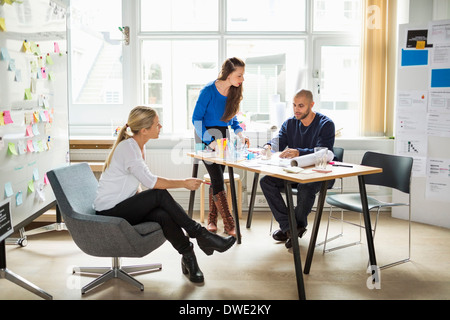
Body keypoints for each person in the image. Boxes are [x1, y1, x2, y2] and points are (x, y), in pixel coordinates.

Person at [94, 106, 236, 283]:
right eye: (157, 124)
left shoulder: (136, 146)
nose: (160, 127)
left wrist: (144, 201)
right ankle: (201, 235)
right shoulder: (129, 149)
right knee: (158, 194)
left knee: (163, 215)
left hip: (121, 207)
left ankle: (189, 257)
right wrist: (184, 183)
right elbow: (152, 182)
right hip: (108, 212)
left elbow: (132, 184)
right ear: (144, 130)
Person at [259, 89, 335, 249]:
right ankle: (290, 228)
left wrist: (299, 152)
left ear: (311, 105)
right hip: (296, 172)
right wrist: (268, 146)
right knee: (266, 182)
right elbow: (278, 141)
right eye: (294, 105)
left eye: (301, 105)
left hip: (319, 174)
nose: (296, 109)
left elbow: (324, 152)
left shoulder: (326, 124)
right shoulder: (290, 123)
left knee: (305, 187)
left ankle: (291, 228)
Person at [192, 57, 248, 237]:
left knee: (218, 177)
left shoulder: (234, 92)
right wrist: (210, 141)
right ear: (229, 74)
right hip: (205, 134)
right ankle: (229, 223)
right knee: (216, 177)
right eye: (239, 75)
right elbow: (196, 119)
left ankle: (212, 219)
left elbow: (232, 118)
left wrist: (240, 133)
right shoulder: (208, 90)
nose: (242, 79)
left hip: (223, 134)